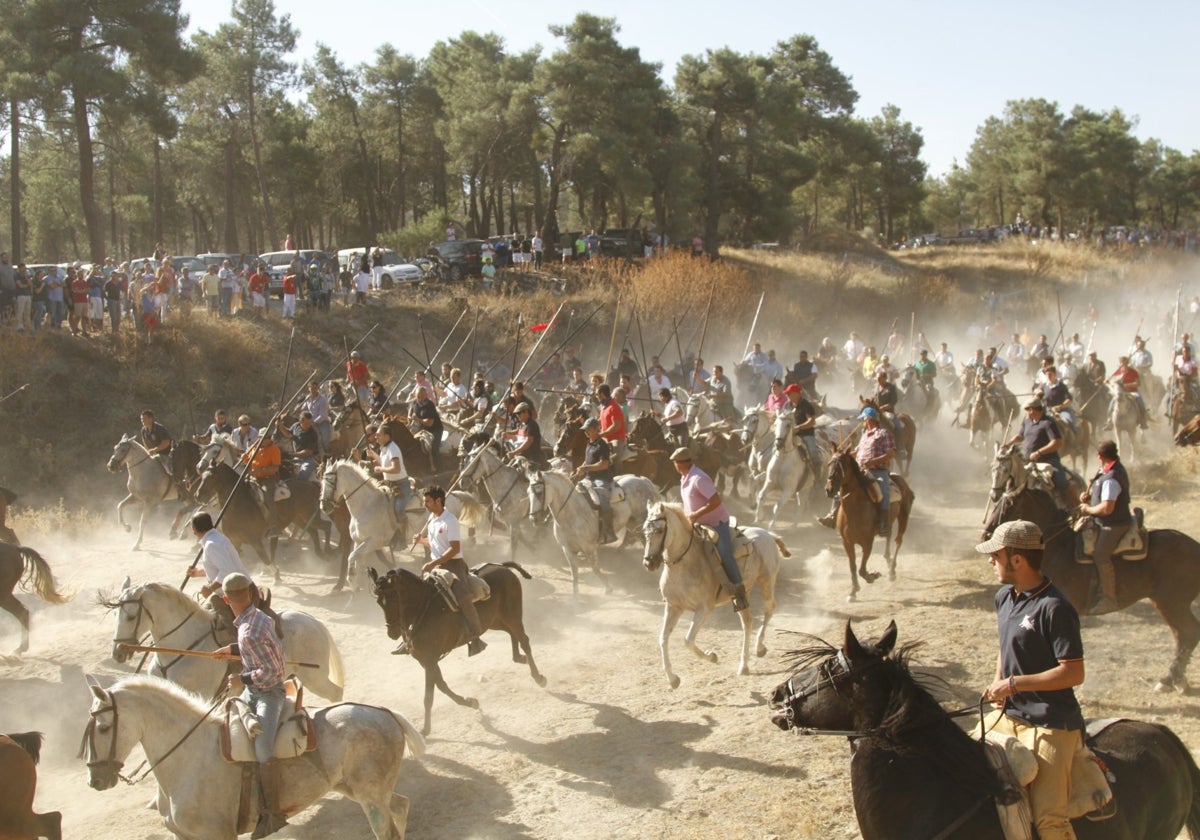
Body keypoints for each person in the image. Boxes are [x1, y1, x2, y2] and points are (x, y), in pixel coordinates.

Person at [976, 520, 1085, 840]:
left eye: (995, 556)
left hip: (1051, 722)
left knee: (1050, 822)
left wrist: (1013, 685)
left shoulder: (1055, 608)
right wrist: (999, 683)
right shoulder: (1004, 598)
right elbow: (1005, 645)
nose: (990, 561)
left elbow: (1073, 672)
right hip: (1009, 714)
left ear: (1017, 560)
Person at [213, 572, 289, 839]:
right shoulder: (257, 619)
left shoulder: (249, 630)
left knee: (262, 747)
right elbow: (256, 647)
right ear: (251, 593)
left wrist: (239, 677)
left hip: (268, 694)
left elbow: (272, 672)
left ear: (225, 599)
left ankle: (273, 814)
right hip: (255, 690)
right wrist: (232, 650)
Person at [669, 447, 748, 612]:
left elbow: (716, 501)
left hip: (716, 523)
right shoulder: (685, 478)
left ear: (681, 463)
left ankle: (739, 593)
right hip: (697, 524)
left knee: (725, 554)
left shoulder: (699, 479)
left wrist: (695, 515)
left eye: (675, 462)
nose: (674, 466)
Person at [413, 486, 487, 656]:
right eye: (425, 502)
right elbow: (436, 544)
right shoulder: (432, 519)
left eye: (428, 502)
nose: (425, 505)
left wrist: (434, 563)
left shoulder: (450, 521)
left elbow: (454, 549)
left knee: (462, 597)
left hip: (453, 566)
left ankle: (475, 637)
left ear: (438, 501)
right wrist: (421, 541)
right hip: (436, 566)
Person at [819, 407, 893, 534]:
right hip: (861, 470)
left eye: (863, 420)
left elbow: (890, 454)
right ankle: (832, 516)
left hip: (878, 471)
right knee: (841, 486)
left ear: (869, 419)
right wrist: (842, 455)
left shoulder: (883, 433)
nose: (862, 422)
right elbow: (857, 452)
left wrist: (872, 462)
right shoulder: (865, 435)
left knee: (883, 493)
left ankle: (883, 524)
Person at [1078, 439, 1131, 615]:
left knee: (1101, 554)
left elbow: (1107, 508)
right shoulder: (1107, 470)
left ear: (1100, 456)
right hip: (1105, 521)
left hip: (1114, 524)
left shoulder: (1112, 478)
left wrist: (1089, 509)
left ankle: (1109, 600)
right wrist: (1090, 496)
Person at [185, 512, 249, 635]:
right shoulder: (216, 539)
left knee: (230, 629)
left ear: (194, 530)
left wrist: (210, 587)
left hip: (236, 591)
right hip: (235, 587)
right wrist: (197, 573)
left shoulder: (211, 545)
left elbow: (227, 570)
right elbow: (219, 569)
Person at [1006, 398, 1068, 503]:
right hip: (1027, 462)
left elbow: (1057, 442)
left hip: (1047, 460)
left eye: (1027, 410)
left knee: (1061, 482)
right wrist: (1008, 443)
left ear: (1032, 410)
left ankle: (1068, 505)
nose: (1026, 413)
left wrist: (1039, 452)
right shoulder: (1027, 422)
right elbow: (1020, 436)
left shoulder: (1048, 423)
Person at [572, 418, 618, 544]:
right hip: (588, 478)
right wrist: (580, 468)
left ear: (596, 429)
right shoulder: (589, 444)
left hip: (601, 479)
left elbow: (604, 464)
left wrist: (586, 468)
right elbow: (587, 461)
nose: (586, 432)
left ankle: (609, 532)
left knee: (602, 500)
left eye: (589, 429)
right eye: (585, 430)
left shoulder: (602, 445)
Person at [367, 424, 411, 535]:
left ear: (387, 436)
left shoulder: (393, 449)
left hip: (401, 486)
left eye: (378, 435)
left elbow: (396, 469)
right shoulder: (384, 448)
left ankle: (403, 534)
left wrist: (381, 469)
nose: (376, 437)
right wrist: (374, 455)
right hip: (389, 485)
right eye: (376, 435)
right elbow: (383, 462)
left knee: (398, 509)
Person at [242, 433, 282, 535]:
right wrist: (243, 457)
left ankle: (274, 525)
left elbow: (275, 467)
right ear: (259, 438)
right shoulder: (254, 447)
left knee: (267, 496)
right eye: (263, 438)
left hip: (268, 478)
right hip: (253, 478)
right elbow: (247, 461)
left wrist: (261, 471)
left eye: (268, 438)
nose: (266, 440)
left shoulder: (274, 449)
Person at [1108, 356, 1147, 429]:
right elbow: (1111, 381)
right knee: (1111, 404)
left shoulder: (1133, 372)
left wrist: (1127, 385)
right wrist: (1108, 382)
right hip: (1120, 393)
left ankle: (1143, 421)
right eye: (1121, 363)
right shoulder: (1117, 372)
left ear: (1127, 363)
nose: (1123, 365)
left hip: (1132, 392)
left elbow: (1138, 383)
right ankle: (1109, 421)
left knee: (1140, 402)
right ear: (1119, 364)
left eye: (1124, 363)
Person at [280, 412, 320, 481]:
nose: (309, 425)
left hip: (309, 459)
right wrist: (280, 425)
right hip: (296, 457)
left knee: (304, 473)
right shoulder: (296, 426)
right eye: (307, 423)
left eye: (310, 423)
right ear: (301, 421)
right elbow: (288, 434)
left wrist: (292, 454)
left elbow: (308, 452)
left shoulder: (313, 433)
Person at [504, 403, 545, 467]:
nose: (517, 416)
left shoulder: (531, 425)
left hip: (531, 457)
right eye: (516, 414)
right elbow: (518, 432)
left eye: (519, 413)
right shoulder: (522, 423)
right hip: (521, 455)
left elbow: (528, 442)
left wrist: (514, 452)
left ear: (526, 412)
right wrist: (507, 433)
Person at [411, 386, 444, 468]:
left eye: (422, 396)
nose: (420, 398)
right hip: (422, 429)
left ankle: (437, 467)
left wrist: (418, 419)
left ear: (426, 395)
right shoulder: (415, 403)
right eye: (418, 396)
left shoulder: (429, 405)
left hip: (435, 429)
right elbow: (411, 410)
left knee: (433, 448)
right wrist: (410, 416)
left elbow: (430, 423)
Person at [596, 384, 628, 461]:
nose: (596, 396)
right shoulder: (604, 407)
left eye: (597, 394)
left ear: (602, 394)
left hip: (616, 439)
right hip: (605, 438)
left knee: (614, 457)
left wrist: (602, 434)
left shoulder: (614, 407)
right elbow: (600, 421)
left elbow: (616, 426)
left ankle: (618, 473)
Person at [296, 382, 331, 450]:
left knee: (324, 439)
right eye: (311, 388)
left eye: (315, 388)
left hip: (322, 423)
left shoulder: (322, 399)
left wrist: (312, 422)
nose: (313, 390)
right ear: (309, 389)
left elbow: (322, 415)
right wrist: (298, 409)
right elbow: (303, 409)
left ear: (318, 388)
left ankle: (327, 452)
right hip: (311, 423)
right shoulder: (307, 398)